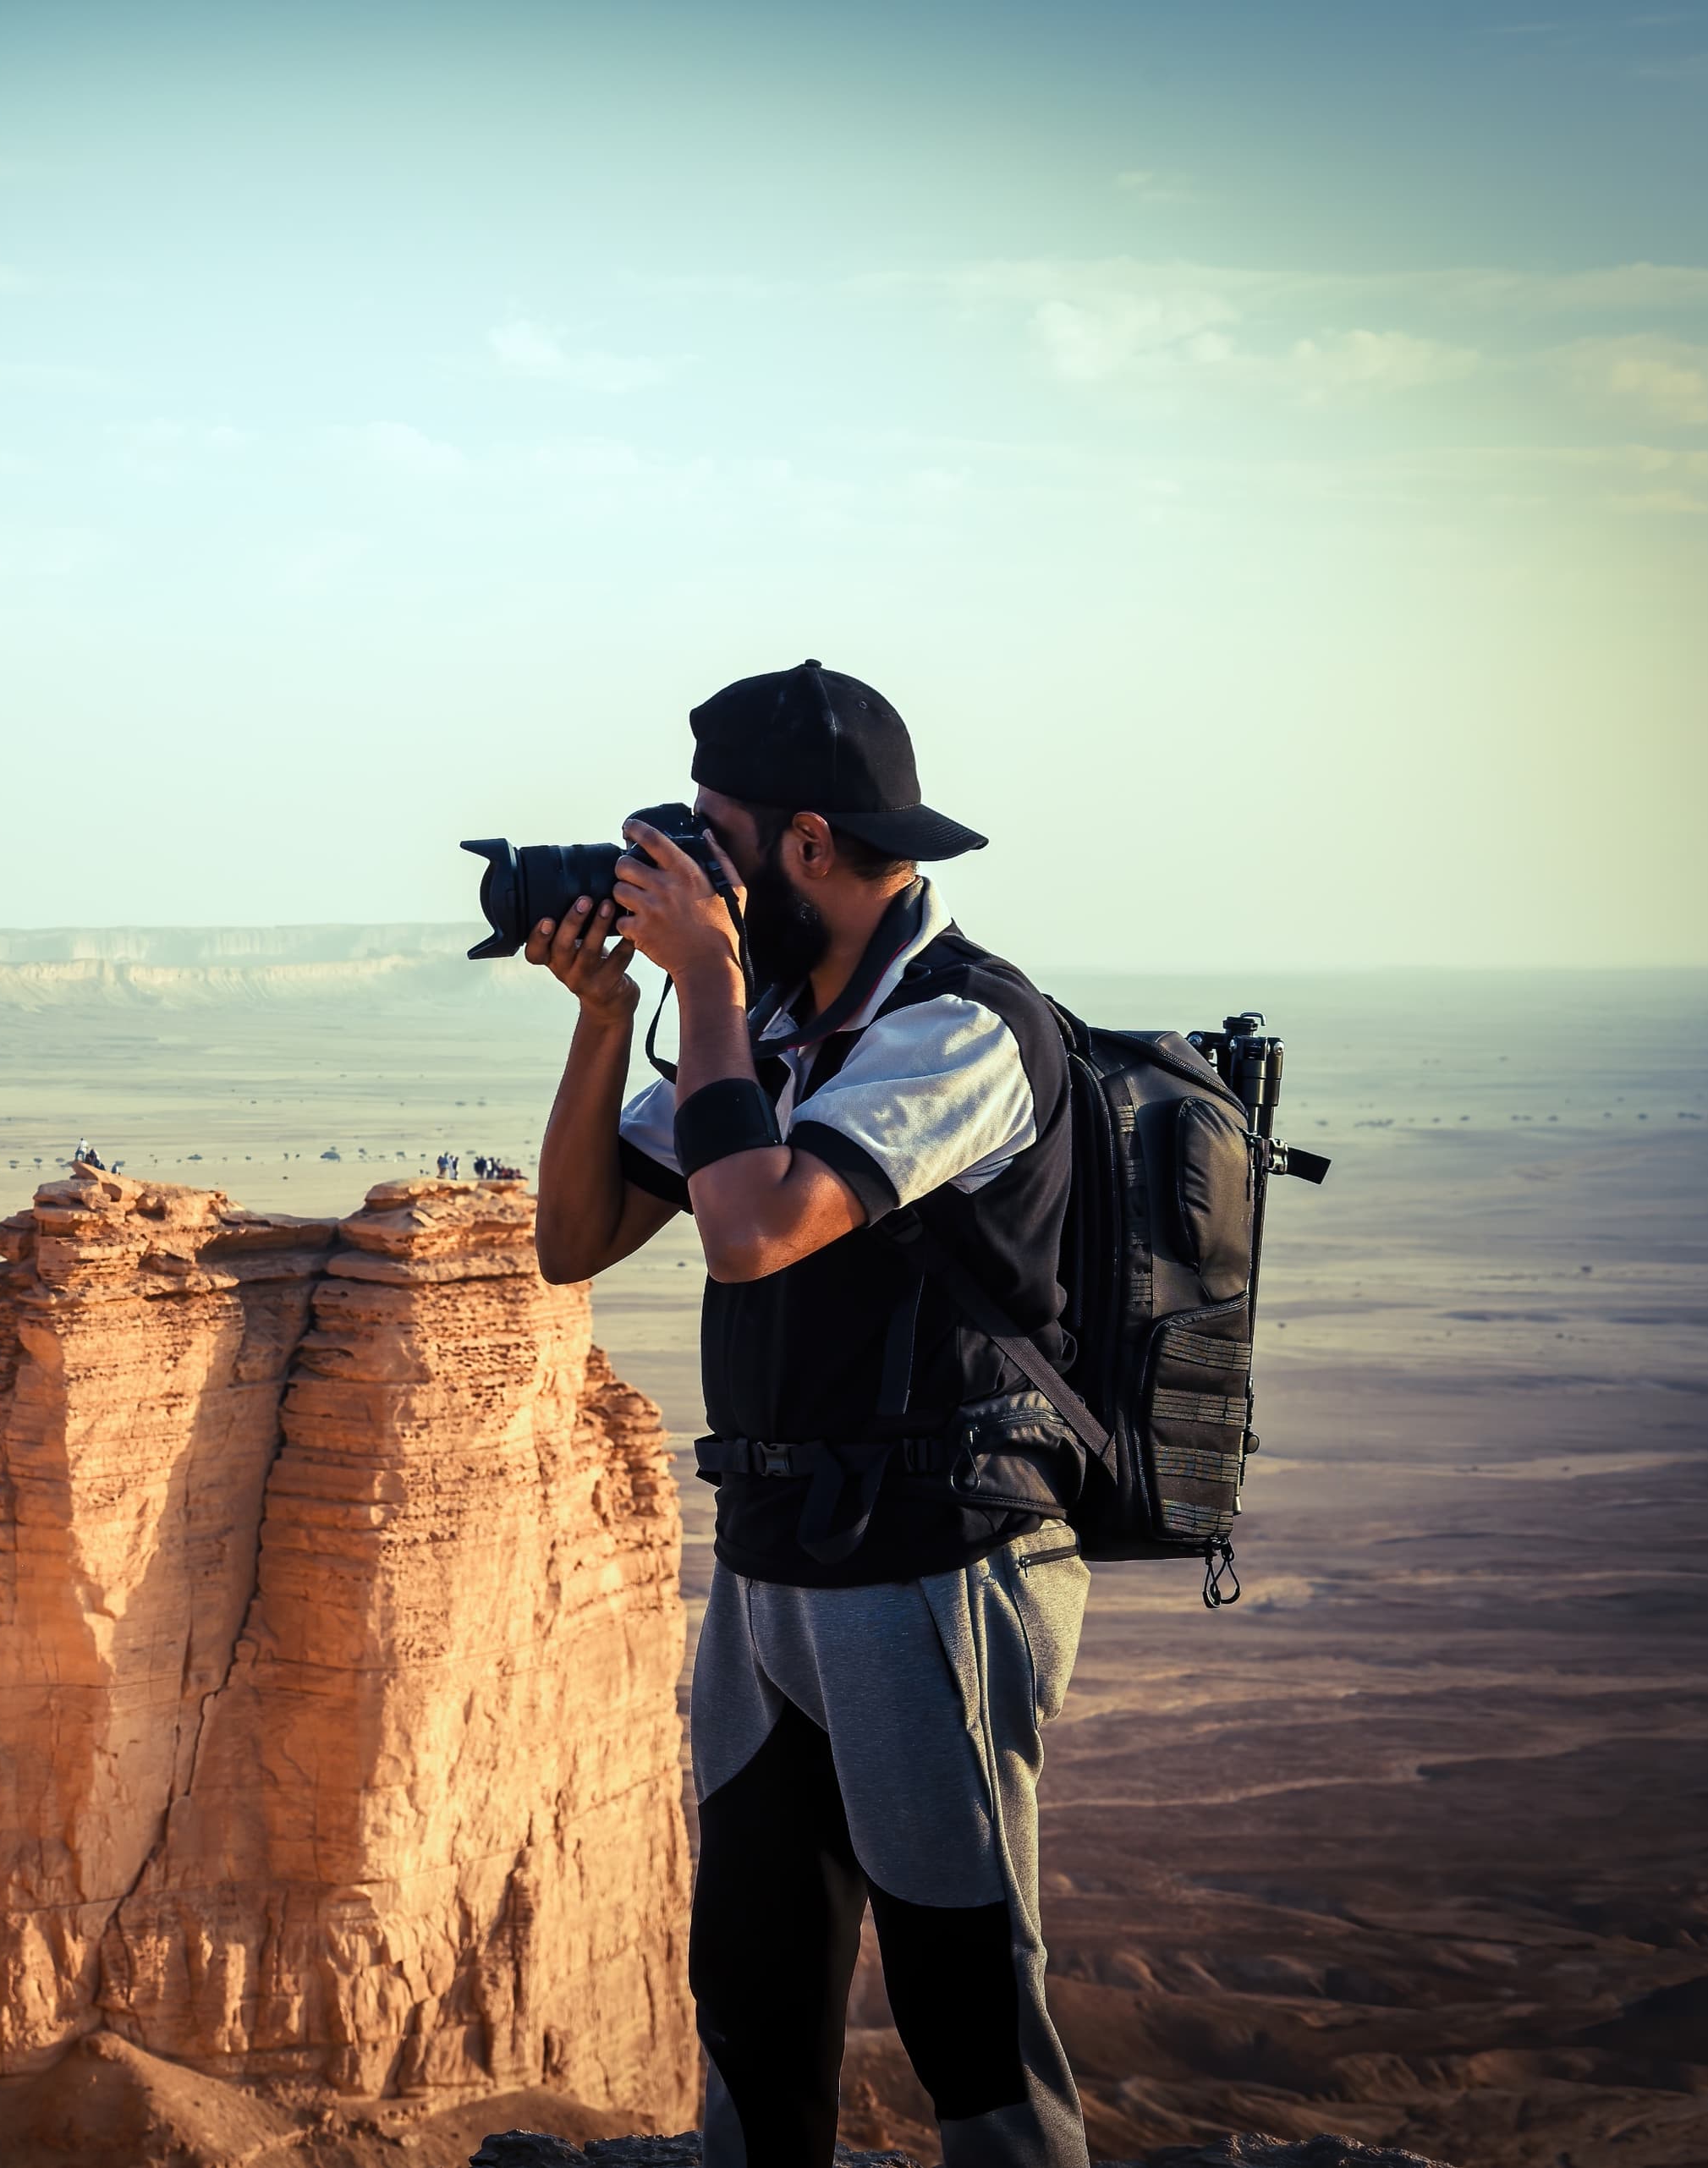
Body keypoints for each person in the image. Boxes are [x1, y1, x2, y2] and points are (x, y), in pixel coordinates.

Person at [524, 661, 1090, 2168]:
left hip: (932, 1564)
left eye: (719, 839)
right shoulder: (767, 1026)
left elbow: (753, 1229)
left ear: (812, 844)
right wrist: (604, 1018)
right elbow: (574, 1239)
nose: (695, 871)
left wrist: (707, 988)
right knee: (756, 2004)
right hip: (771, 1570)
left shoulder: (966, 1031)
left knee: (970, 2016)